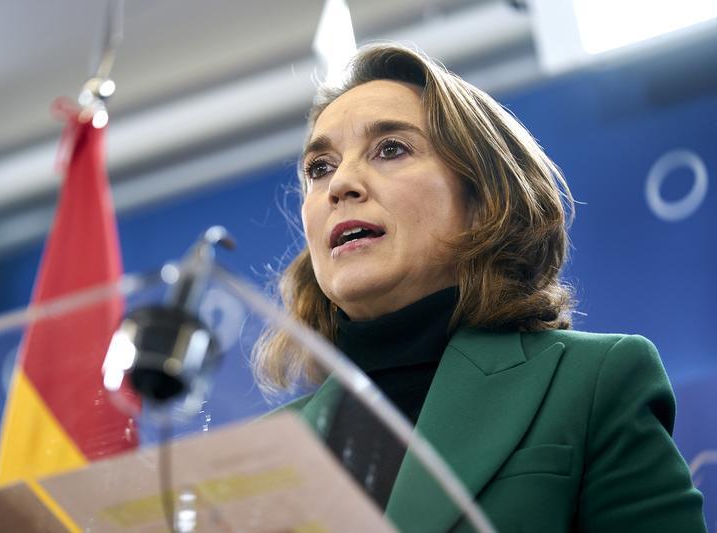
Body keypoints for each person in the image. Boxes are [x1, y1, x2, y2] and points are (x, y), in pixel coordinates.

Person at [252, 43, 706, 532]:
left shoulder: (592, 381)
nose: (340, 184)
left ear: (483, 201)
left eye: (391, 149)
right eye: (319, 168)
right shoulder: (261, 458)